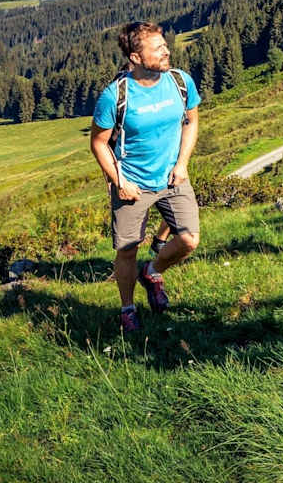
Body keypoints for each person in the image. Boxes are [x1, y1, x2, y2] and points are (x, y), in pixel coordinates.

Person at [89, 21, 202, 333]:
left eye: (164, 45)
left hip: (173, 179)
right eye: (157, 49)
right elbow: (98, 143)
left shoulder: (180, 81)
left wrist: (182, 164)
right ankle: (128, 309)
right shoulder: (115, 96)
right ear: (135, 58)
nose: (166, 51)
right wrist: (119, 181)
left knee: (189, 240)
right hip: (132, 183)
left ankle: (152, 272)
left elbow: (191, 121)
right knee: (127, 249)